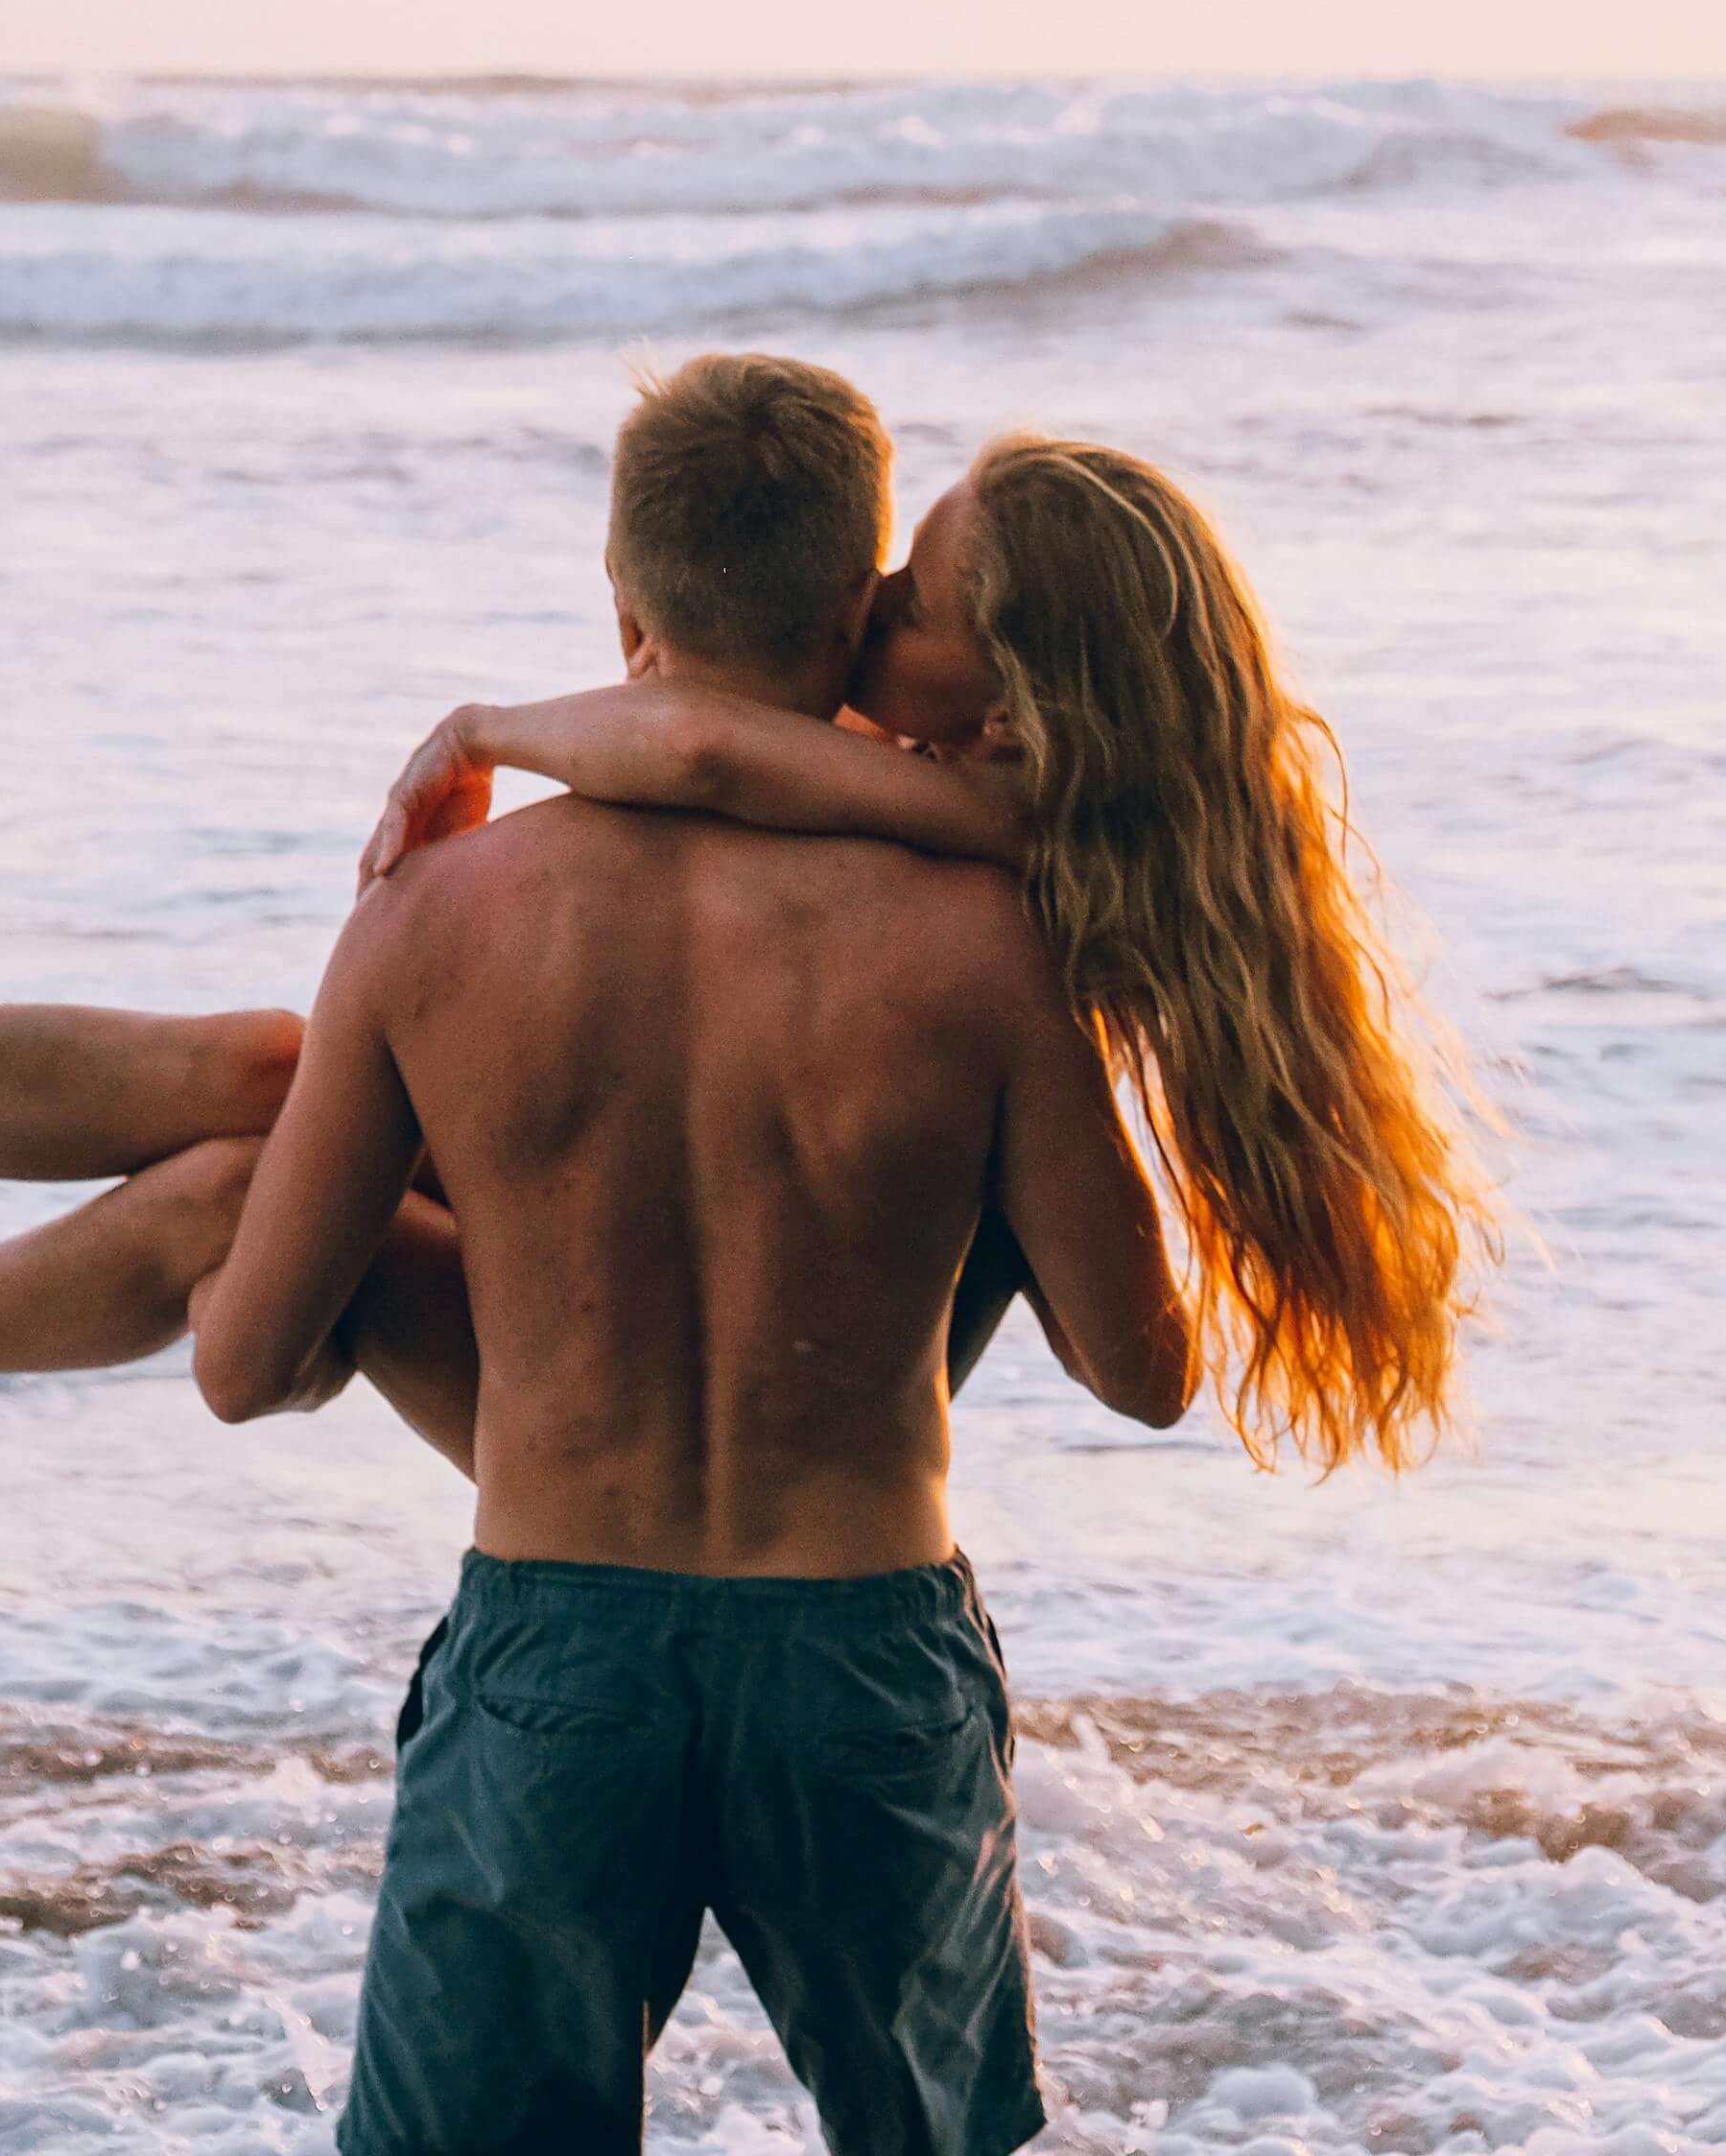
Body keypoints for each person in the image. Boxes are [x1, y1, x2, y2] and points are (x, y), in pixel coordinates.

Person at [0, 377, 1489, 1481]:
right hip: (734, 1392)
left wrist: (505, 723)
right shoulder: (1040, 818)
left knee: (236, 1186)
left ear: (1025, 693)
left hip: (653, 1432)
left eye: (913, 602)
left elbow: (716, 742)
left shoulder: (1014, 856)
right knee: (272, 1069)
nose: (872, 622)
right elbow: (730, 750)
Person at [187, 355, 1186, 2155]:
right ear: (866, 607)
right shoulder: (993, 939)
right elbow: (1144, 1367)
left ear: (622, 604)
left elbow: (245, 1366)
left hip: (556, 1652)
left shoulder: (433, 913)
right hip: (862, 1656)